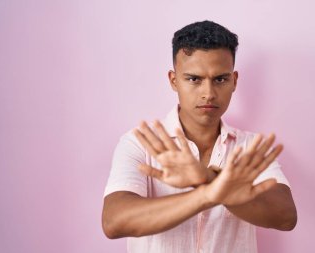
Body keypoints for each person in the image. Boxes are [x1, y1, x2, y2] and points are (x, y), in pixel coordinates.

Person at [102, 20, 297, 253]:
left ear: (234, 81)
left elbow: (285, 216)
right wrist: (209, 192)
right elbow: (114, 222)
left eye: (220, 79)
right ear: (174, 80)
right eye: (194, 79)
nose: (208, 93)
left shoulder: (251, 147)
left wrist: (207, 178)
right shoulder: (138, 143)